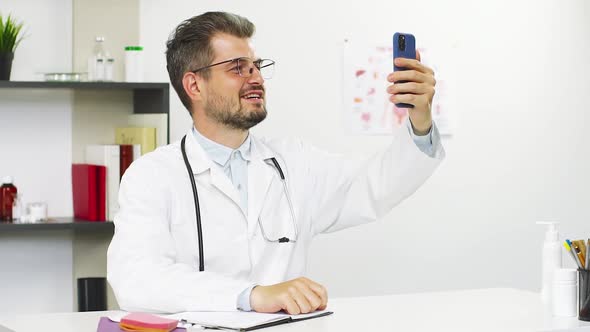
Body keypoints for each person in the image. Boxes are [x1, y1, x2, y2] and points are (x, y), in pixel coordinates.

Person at [107, 11, 444, 315]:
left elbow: (376, 186)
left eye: (255, 66)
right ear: (194, 84)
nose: (255, 78)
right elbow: (136, 278)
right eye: (238, 68)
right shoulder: (152, 175)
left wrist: (421, 121)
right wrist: (251, 296)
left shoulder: (293, 162)